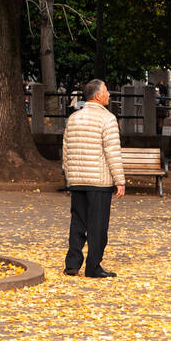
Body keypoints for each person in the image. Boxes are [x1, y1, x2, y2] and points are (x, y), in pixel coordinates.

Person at [61, 78, 125, 278]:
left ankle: (72, 263)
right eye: (106, 91)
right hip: (98, 181)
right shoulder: (107, 119)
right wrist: (119, 180)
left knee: (78, 222)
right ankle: (93, 267)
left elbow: (66, 150)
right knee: (98, 226)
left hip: (78, 180)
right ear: (98, 96)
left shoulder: (74, 118)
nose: (108, 94)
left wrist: (69, 176)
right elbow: (112, 152)